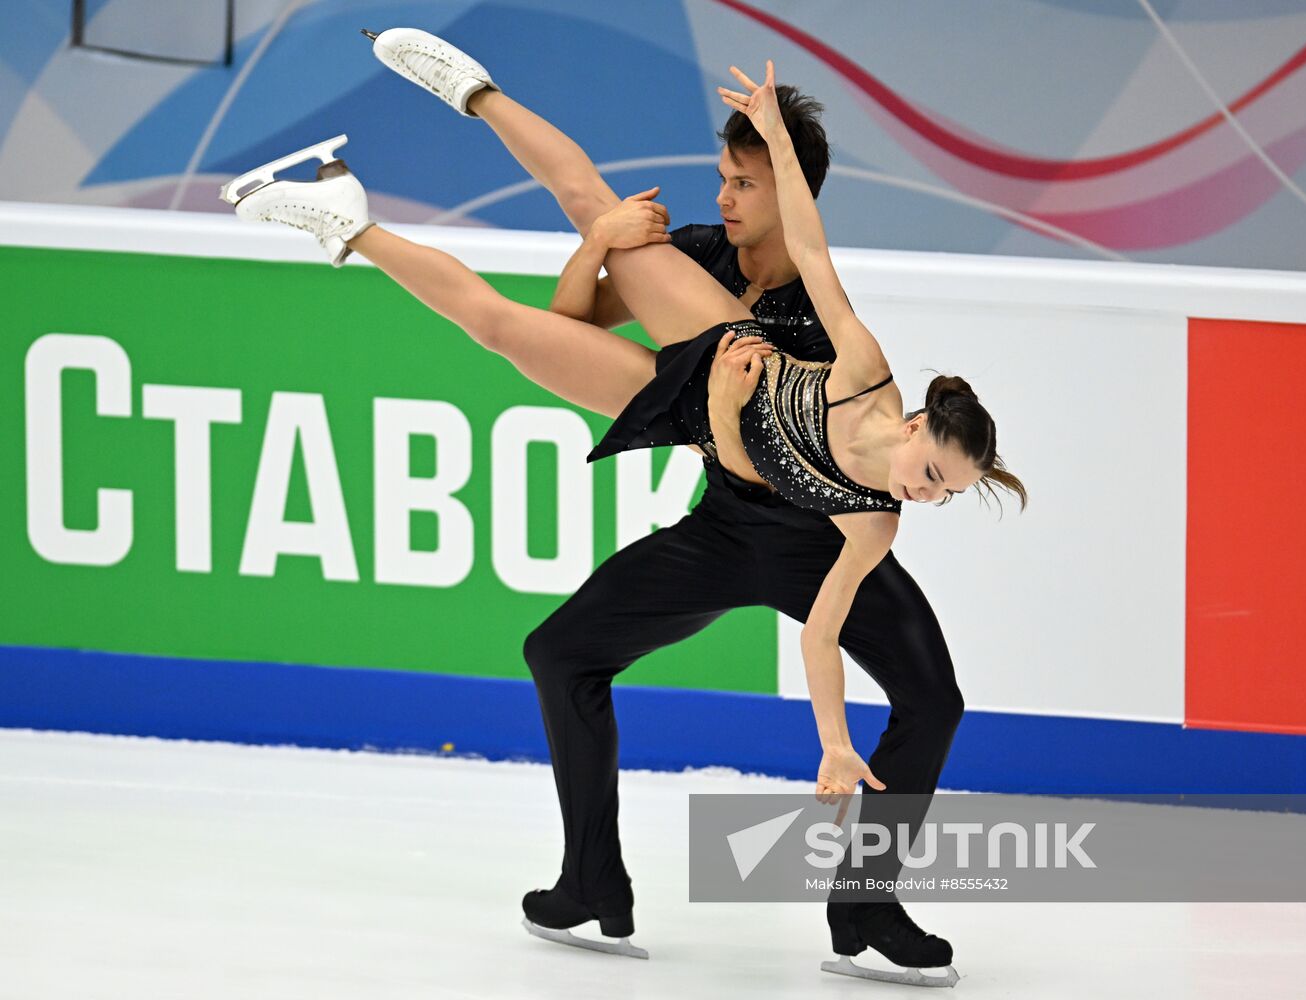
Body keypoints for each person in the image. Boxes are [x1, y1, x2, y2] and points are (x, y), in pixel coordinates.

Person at [223, 28, 1026, 985]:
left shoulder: (849, 380)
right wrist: (601, 249)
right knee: (559, 642)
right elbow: (569, 328)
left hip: (806, 519)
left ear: (786, 184)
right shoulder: (697, 255)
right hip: (722, 496)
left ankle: (865, 902)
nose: (722, 198)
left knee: (933, 699)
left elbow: (804, 304)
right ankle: (590, 883)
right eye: (722, 179)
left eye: (744, 182)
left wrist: (834, 746)